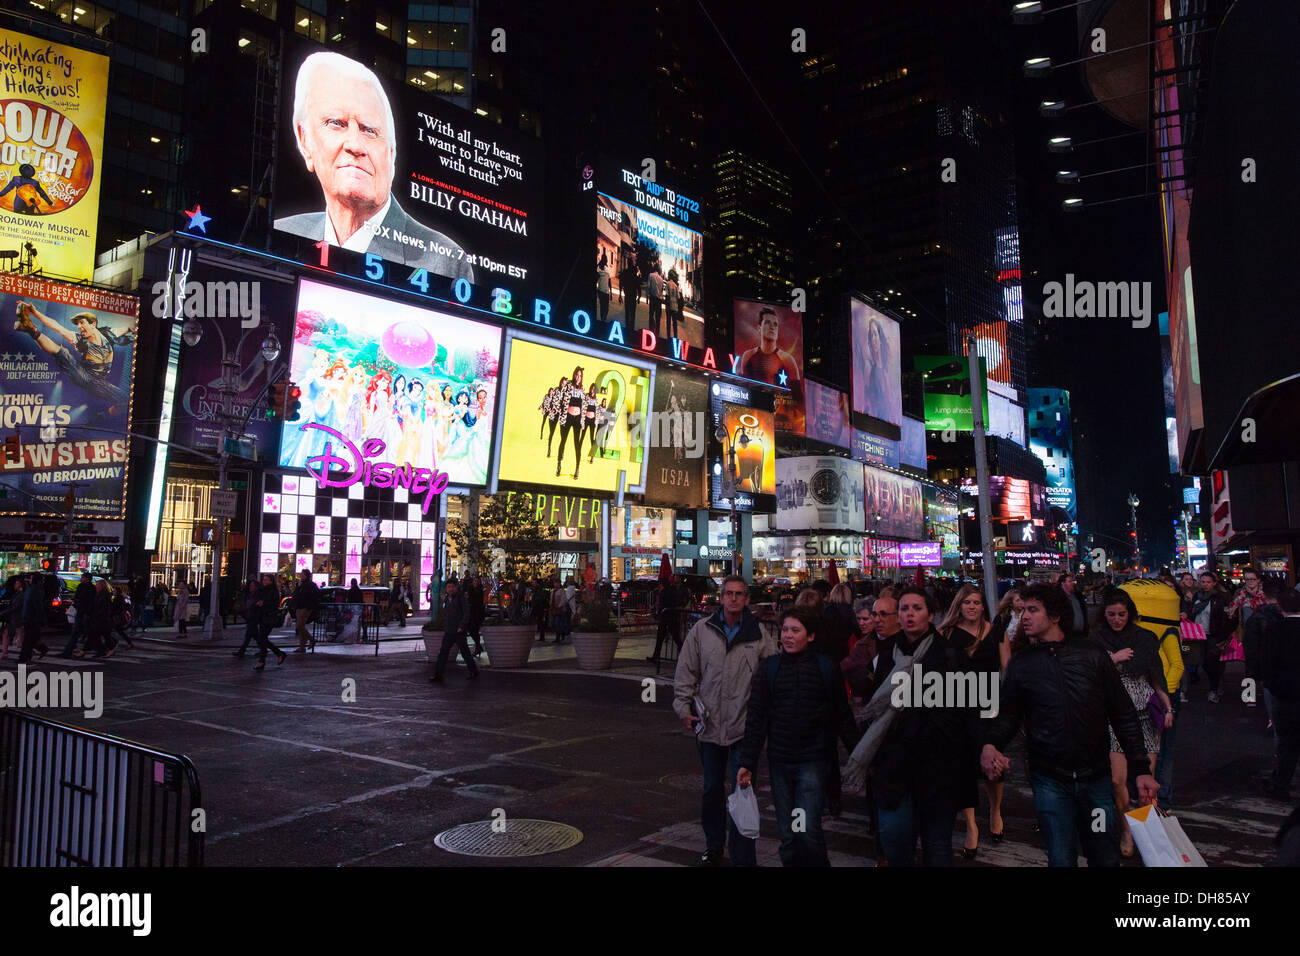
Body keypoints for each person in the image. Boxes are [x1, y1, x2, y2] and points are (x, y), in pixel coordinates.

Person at [981, 585, 1158, 867]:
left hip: (1095, 778)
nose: (1023, 616)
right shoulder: (1022, 664)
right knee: (1061, 857)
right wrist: (991, 745)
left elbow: (1122, 714)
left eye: (1032, 609)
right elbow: (1008, 715)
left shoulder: (1092, 655)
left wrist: (1140, 770)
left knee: (1103, 855)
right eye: (1022, 610)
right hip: (1050, 779)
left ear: (1055, 616)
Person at [275, 52, 472, 279]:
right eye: (336, 123)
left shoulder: (443, 260)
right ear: (304, 139)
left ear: (390, 154)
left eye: (369, 130)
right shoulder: (282, 232)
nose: (355, 145)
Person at [736, 607, 859, 866]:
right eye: (785, 630)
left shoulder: (826, 668)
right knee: (788, 833)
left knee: (807, 829)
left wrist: (859, 756)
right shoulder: (770, 668)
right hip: (780, 761)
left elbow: (842, 716)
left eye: (795, 630)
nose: (788, 636)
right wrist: (748, 762)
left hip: (813, 761)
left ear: (810, 636)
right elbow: (756, 718)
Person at [673, 575, 778, 866]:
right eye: (728, 593)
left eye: (739, 594)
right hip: (709, 727)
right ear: (721, 597)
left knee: (742, 790)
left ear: (746, 600)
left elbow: (773, 673)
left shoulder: (758, 634)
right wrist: (683, 709)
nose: (733, 599)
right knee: (711, 789)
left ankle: (743, 853)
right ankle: (714, 843)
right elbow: (686, 672)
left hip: (744, 730)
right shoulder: (702, 631)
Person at [867, 587, 972, 867]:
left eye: (917, 608)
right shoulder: (887, 652)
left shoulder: (949, 653)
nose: (910, 614)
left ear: (930, 614)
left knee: (937, 847)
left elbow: (964, 712)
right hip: (894, 766)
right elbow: (877, 705)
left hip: (938, 768)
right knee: (896, 843)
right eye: (904, 609)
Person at [1090, 588, 1172, 857]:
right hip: (1110, 711)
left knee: (1146, 780)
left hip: (1144, 711)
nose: (1116, 619)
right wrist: (1113, 658)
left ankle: (1148, 835)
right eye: (1111, 614)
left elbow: (1155, 673)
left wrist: (1168, 706)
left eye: (1121, 614)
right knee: (1116, 780)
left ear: (1130, 614)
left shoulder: (1145, 639)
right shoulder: (1095, 639)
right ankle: (1126, 828)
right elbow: (1088, 671)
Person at [937, 583, 1005, 856]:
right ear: (959, 606)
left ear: (983, 606)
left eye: (977, 602)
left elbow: (1008, 670)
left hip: (990, 705)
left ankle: (996, 812)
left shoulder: (995, 630)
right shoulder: (946, 633)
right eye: (967, 603)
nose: (972, 607)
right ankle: (971, 824)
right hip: (958, 706)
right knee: (963, 766)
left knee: (993, 765)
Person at [13, 302, 135, 407]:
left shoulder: (108, 333)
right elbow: (57, 326)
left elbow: (126, 328)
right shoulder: (80, 340)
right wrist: (35, 313)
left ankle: (27, 328)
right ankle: (30, 328)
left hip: (101, 382)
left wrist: (132, 330)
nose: (79, 327)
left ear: (93, 324)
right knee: (62, 353)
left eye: (82, 323)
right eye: (77, 324)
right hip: (85, 377)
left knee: (124, 399)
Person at [1260, 587, 1300, 799]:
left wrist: (1272, 685)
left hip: (1284, 694)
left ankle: (1281, 783)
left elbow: (1267, 663)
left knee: (1287, 742)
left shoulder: (1274, 630)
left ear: (1280, 607)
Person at [1191, 570, 1234, 703]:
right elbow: (1192, 612)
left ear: (1214, 583)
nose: (1205, 585)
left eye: (1208, 582)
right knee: (1202, 662)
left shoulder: (1220, 598)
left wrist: (1224, 635)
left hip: (1214, 635)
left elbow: (1229, 617)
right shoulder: (1197, 596)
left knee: (1211, 661)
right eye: (1203, 582)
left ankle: (1213, 689)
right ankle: (1215, 683)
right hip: (1198, 635)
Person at [738, 307, 801, 390]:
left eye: (775, 324)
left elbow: (797, 395)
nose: (772, 327)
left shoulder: (788, 360)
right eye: (767, 322)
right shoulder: (748, 355)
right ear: (759, 328)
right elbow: (743, 387)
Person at [430, 579, 478, 681]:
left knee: (465, 652)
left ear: (455, 587)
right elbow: (446, 614)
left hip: (458, 630)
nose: (450, 589)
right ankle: (438, 674)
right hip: (449, 630)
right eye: (448, 587)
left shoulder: (460, 598)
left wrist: (462, 626)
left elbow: (466, 613)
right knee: (443, 652)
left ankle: (473, 670)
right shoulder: (447, 599)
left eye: (452, 587)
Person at [62, 572, 95, 658]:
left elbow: (88, 601)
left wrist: (87, 612)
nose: (81, 578)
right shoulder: (87, 587)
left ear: (86, 578)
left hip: (83, 612)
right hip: (81, 611)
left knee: (83, 632)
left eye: (82, 577)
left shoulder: (88, 588)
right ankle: (69, 650)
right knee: (79, 632)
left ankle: (70, 650)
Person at [234, 576, 262, 658]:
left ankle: (242, 651)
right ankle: (262, 648)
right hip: (250, 616)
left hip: (253, 617)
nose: (250, 587)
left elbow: (255, 606)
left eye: (252, 586)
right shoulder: (250, 595)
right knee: (253, 635)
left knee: (249, 635)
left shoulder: (257, 595)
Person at [292, 569, 320, 653]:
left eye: (302, 574)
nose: (301, 575)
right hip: (300, 607)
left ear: (307, 575)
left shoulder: (310, 585)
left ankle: (311, 639)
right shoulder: (301, 584)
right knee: (301, 627)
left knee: (300, 625)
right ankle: (302, 646)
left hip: (306, 607)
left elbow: (314, 597)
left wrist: (309, 606)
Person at [467, 575, 486, 657]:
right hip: (472, 612)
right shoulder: (470, 588)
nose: (476, 583)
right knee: (471, 630)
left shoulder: (480, 589)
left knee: (475, 630)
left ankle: (477, 647)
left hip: (478, 613)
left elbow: (479, 599)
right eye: (475, 581)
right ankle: (478, 646)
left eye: (477, 581)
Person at [645, 263, 664, 335]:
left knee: (651, 315)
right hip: (659, 300)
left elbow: (648, 287)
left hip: (653, 298)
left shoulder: (651, 275)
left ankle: (651, 330)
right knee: (658, 317)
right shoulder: (661, 279)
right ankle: (657, 333)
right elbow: (661, 291)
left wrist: (647, 297)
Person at [662, 269, 680, 339]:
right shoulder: (676, 286)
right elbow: (678, 297)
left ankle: (668, 337)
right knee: (674, 323)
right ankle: (675, 337)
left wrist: (666, 304)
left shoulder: (668, 284)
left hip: (669, 307)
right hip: (675, 307)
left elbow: (667, 295)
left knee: (668, 323)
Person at [531, 578, 550, 643]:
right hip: (538, 608)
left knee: (540, 622)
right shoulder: (536, 590)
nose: (533, 584)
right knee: (539, 622)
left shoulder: (539, 591)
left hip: (539, 608)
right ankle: (541, 636)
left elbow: (541, 600)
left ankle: (541, 636)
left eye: (534, 582)